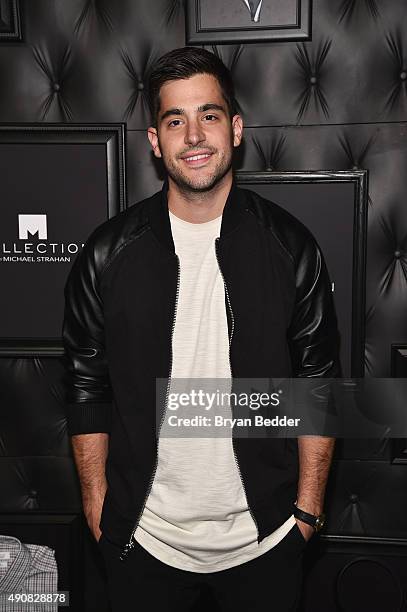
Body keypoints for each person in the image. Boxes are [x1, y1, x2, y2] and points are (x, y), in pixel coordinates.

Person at [62, 46, 341, 611]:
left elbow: (318, 383)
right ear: (154, 140)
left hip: (266, 542)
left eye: (209, 115)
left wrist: (306, 514)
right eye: (174, 120)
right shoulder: (107, 253)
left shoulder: (290, 246)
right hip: (142, 542)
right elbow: (86, 385)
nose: (193, 135)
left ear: (235, 129)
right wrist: (98, 508)